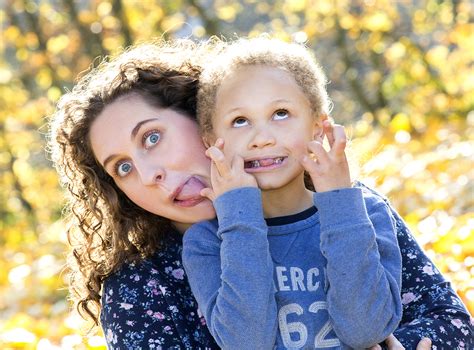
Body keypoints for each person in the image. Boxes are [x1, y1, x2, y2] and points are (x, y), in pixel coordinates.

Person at [47, 39, 472, 349]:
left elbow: (448, 321)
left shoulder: (345, 206)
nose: (149, 174)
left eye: (153, 138)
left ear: (204, 121)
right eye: (122, 168)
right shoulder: (141, 286)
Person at [182, 37, 473, 349]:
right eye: (240, 121)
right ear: (211, 141)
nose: (262, 138)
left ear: (317, 128)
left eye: (280, 113)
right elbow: (247, 341)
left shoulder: (368, 214)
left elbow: (366, 330)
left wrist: (339, 205)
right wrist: (239, 215)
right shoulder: (207, 242)